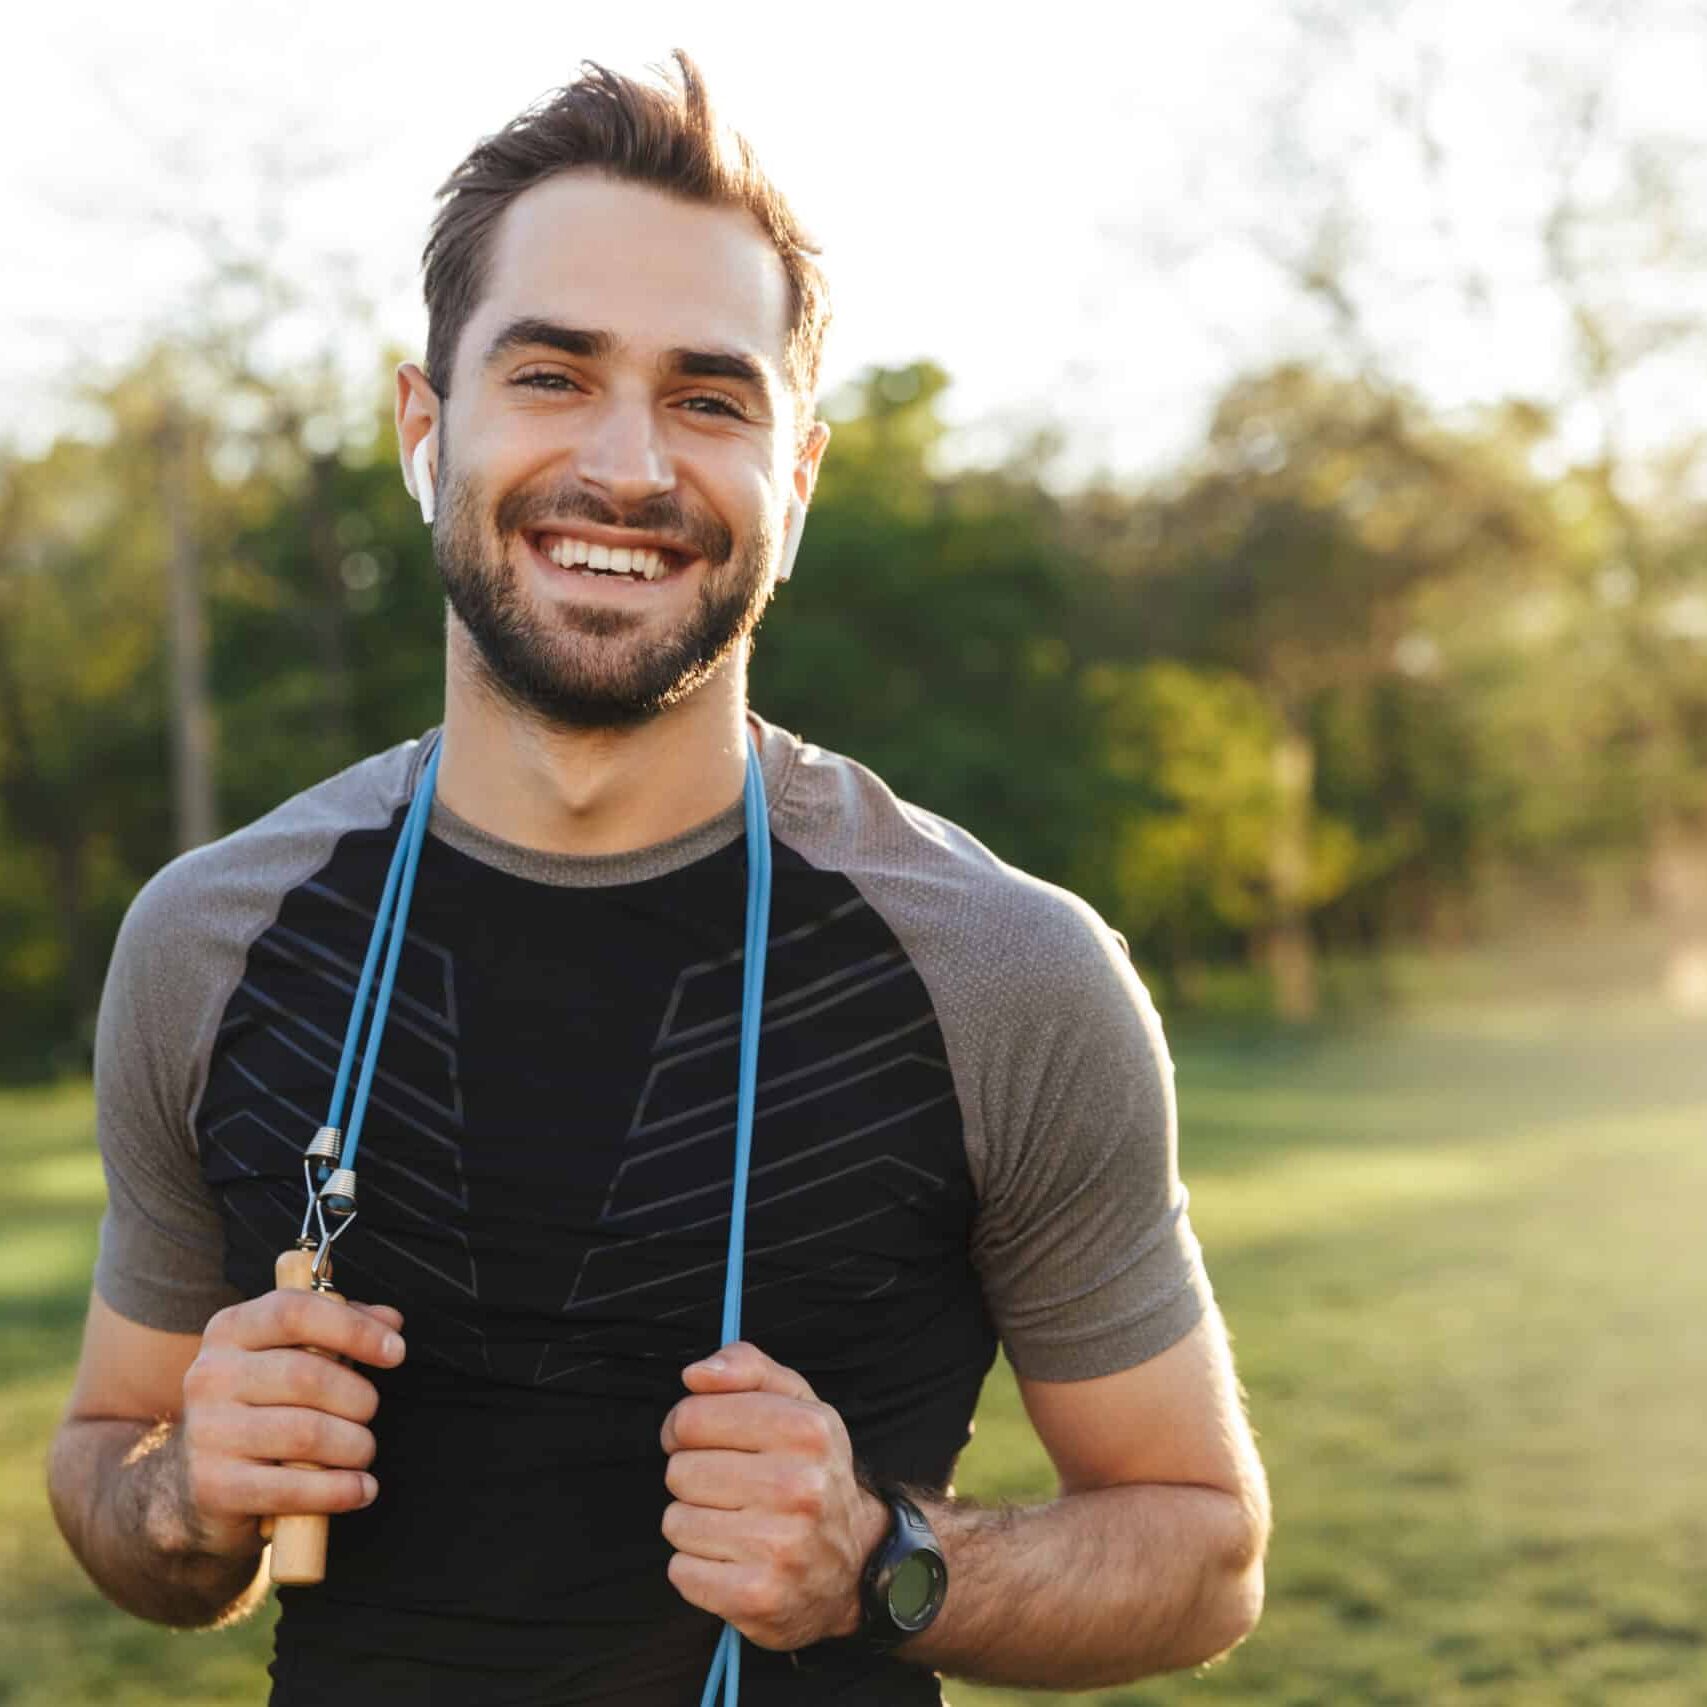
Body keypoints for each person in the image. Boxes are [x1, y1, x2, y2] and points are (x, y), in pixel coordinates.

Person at [46, 49, 1270, 1707]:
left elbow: (1201, 1551)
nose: (629, 468)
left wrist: (878, 1566)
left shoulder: (1006, 972)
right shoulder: (209, 938)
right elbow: (112, 1484)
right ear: (427, 426)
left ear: (801, 480)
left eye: (710, 397)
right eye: (551, 374)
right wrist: (183, 1489)